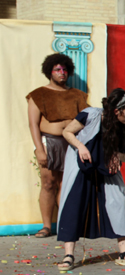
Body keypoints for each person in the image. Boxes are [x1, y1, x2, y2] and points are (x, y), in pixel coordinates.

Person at [56, 89, 125, 270]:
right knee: (74, 206)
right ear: (117, 110)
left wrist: (116, 155)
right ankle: (69, 255)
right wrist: (81, 147)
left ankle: (124, 252)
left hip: (107, 169)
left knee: (118, 204)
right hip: (82, 166)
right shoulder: (91, 115)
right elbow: (67, 132)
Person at [26, 53, 89, 238]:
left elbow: (88, 120)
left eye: (65, 69)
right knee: (48, 183)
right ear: (49, 72)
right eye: (57, 69)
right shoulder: (38, 94)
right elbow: (33, 124)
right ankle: (46, 226)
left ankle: (65, 225)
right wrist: (39, 149)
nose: (62, 73)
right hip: (49, 142)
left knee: (66, 184)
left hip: (71, 142)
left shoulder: (77, 95)